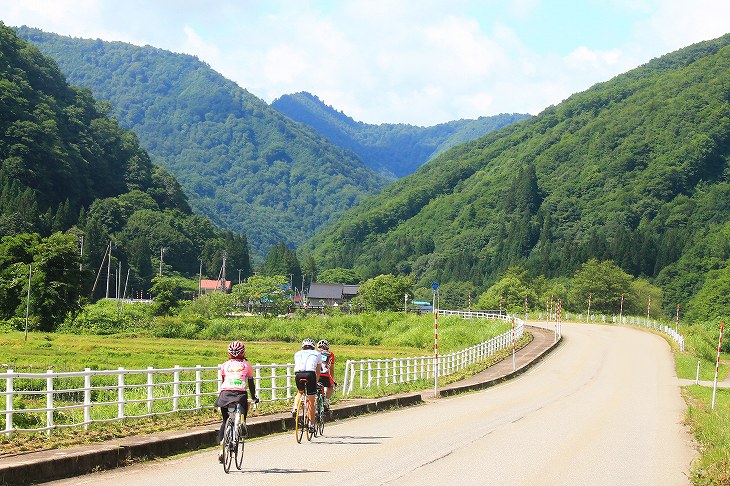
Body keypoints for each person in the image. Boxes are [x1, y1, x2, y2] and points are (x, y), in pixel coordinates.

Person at [214, 340, 257, 462]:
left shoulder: (225, 365)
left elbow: (224, 381)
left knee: (225, 420)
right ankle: (242, 422)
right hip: (239, 393)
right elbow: (251, 383)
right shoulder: (246, 365)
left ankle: (222, 445)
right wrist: (254, 397)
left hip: (225, 393)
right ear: (243, 352)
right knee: (243, 407)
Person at [292, 338, 322, 434]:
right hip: (310, 374)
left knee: (300, 392)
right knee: (311, 401)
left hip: (298, 374)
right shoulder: (317, 354)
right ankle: (312, 425)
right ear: (313, 346)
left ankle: (295, 408)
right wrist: (315, 382)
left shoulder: (297, 353)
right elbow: (318, 371)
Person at [317, 339, 336, 411]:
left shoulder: (315, 353)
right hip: (325, 376)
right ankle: (326, 401)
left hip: (315, 375)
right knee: (331, 386)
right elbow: (331, 369)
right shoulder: (330, 354)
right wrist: (333, 379)